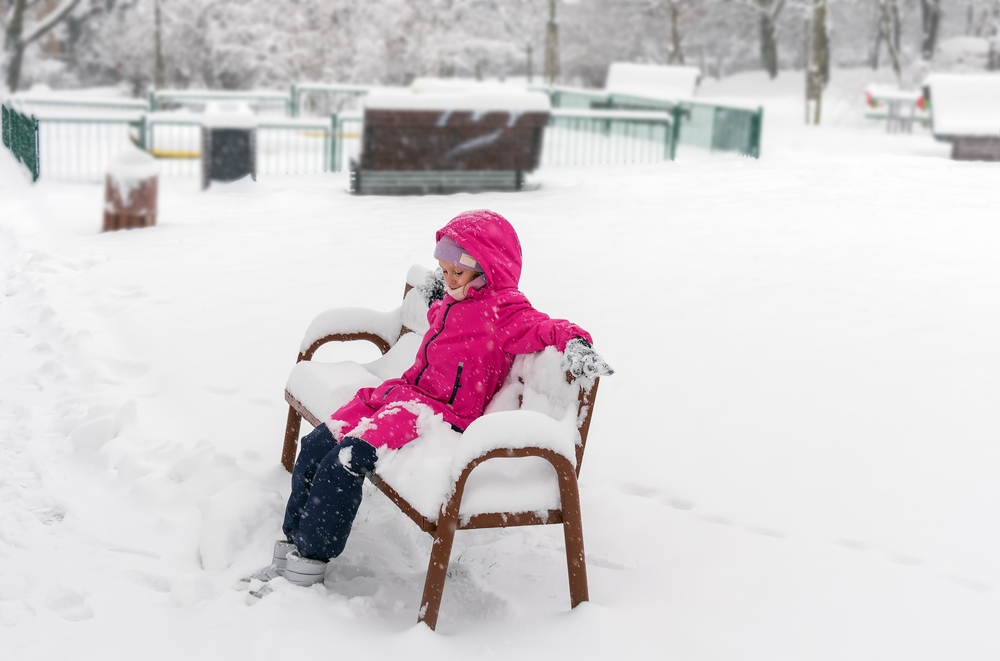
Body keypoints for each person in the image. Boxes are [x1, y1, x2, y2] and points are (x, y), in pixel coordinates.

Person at [240, 209, 612, 602]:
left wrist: (576, 342)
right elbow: (446, 318)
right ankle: (291, 544)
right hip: (400, 393)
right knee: (316, 443)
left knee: (347, 458)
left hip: (436, 416)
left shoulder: (504, 311)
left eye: (458, 273)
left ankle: (308, 562)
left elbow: (545, 326)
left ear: (488, 271)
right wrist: (441, 292)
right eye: (444, 270)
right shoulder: (454, 299)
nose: (449, 281)